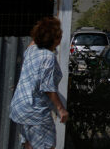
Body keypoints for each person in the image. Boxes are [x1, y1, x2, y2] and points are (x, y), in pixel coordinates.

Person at [9, 16, 69, 149]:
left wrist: (44, 28)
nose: (60, 40)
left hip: (20, 106)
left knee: (29, 144)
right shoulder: (48, 57)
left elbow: (35, 39)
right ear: (54, 39)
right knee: (47, 145)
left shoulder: (31, 50)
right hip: (35, 110)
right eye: (59, 36)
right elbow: (48, 87)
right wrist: (61, 109)